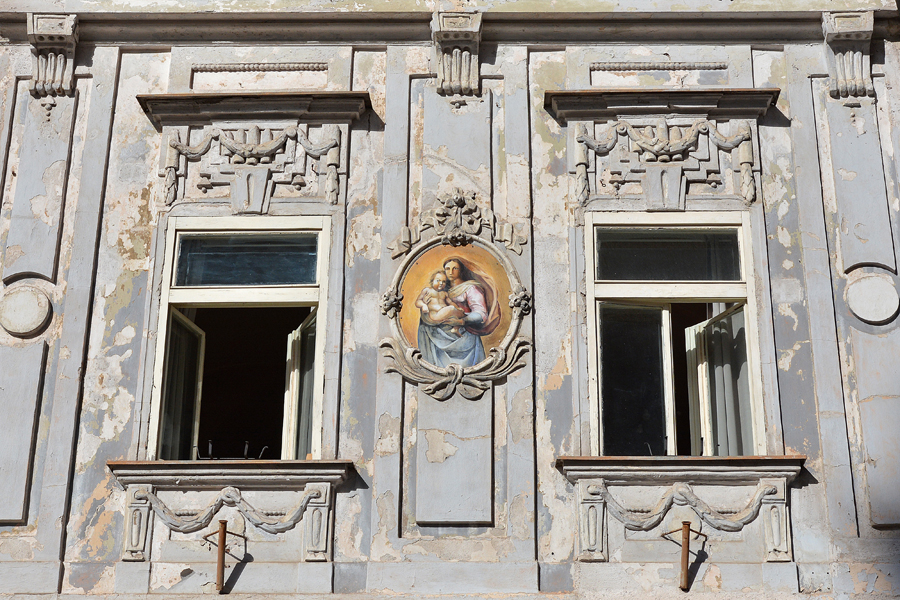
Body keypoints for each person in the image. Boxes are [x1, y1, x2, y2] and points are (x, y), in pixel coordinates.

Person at [417, 257, 501, 368]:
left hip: (463, 339)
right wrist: (425, 306)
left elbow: (481, 314)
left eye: (455, 268)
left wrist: (462, 321)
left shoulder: (470, 288)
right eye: (447, 269)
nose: (450, 272)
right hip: (437, 338)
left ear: (461, 270)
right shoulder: (441, 288)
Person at [415, 271, 466, 336]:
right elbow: (418, 301)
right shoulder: (427, 290)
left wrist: (458, 308)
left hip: (444, 314)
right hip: (434, 315)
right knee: (451, 308)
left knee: (461, 313)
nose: (441, 283)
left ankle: (455, 329)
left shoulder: (444, 293)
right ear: (432, 281)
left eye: (443, 281)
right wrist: (423, 305)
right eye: (438, 280)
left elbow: (451, 302)